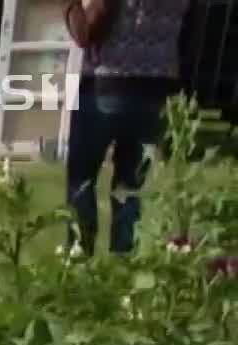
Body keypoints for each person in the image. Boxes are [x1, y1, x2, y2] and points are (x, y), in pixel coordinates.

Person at [63, 0, 191, 256]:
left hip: (108, 85)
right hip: (156, 91)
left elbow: (86, 34)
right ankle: (124, 263)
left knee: (82, 180)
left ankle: (78, 257)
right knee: (130, 187)